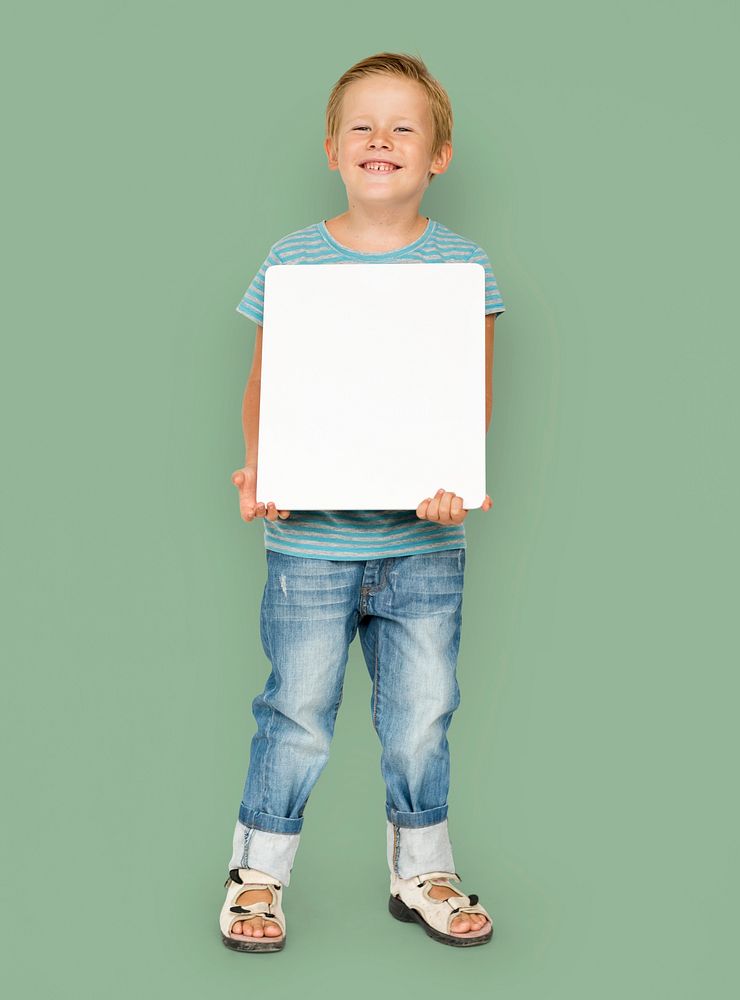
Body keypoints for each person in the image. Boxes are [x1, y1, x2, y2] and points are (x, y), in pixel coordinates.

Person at [219, 51, 506, 952]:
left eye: (405, 126)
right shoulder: (292, 257)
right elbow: (264, 383)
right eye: (362, 126)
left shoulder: (463, 263)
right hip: (308, 545)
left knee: (422, 714)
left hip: (423, 546)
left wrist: (461, 473)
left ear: (440, 155)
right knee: (296, 712)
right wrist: (259, 466)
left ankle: (422, 870)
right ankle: (257, 875)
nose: (381, 140)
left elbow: (471, 392)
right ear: (333, 149)